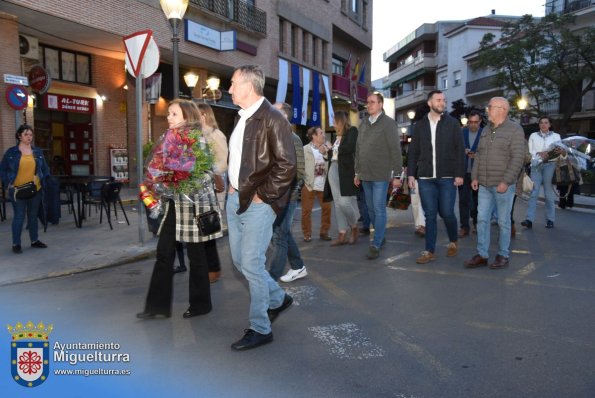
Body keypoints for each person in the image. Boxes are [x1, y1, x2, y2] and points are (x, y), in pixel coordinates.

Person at [226, 65, 296, 351]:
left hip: (258, 202)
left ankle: (260, 327)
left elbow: (287, 165)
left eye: (232, 83)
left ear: (248, 85)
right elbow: (241, 159)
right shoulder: (241, 118)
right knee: (240, 261)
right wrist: (231, 186)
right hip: (235, 198)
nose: (229, 89)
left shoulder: (273, 118)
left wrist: (264, 196)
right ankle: (278, 298)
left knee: (251, 263)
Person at [137, 99, 223, 319]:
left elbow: (204, 174)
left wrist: (176, 178)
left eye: (173, 114)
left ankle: (201, 304)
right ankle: (156, 307)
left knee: (197, 255)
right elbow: (159, 166)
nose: (168, 117)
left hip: (194, 206)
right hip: (174, 204)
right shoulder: (167, 139)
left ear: (187, 116)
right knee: (164, 252)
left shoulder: (198, 140)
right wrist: (159, 181)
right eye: (168, 114)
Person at [464, 97, 526, 270]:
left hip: (502, 186)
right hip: (484, 184)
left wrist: (506, 181)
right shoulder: (485, 130)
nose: (487, 109)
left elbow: (517, 158)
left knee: (503, 221)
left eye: (490, 107)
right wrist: (475, 177)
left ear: (502, 109)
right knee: (482, 219)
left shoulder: (515, 130)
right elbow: (479, 155)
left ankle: (503, 255)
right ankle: (482, 254)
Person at [407, 90, 464, 264]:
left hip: (447, 176)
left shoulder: (452, 124)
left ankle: (453, 241)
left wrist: (459, 174)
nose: (442, 102)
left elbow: (459, 151)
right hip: (425, 178)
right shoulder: (419, 126)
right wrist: (411, 174)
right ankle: (429, 250)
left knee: (447, 212)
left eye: (444, 100)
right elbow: (413, 152)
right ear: (430, 103)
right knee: (430, 215)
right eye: (439, 100)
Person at [355, 92, 402, 260]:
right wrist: (357, 171)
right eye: (367, 102)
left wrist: (397, 174)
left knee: (379, 208)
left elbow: (395, 150)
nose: (369, 105)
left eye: (372, 102)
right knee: (370, 208)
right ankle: (380, 236)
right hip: (365, 174)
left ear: (381, 104)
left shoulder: (389, 124)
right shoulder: (364, 124)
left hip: (381, 175)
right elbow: (359, 149)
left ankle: (376, 243)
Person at [269, 102, 307, 283]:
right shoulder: (272, 136)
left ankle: (271, 277)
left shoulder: (293, 138)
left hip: (287, 196)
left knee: (279, 235)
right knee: (281, 232)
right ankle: (298, 266)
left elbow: (299, 171)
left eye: (274, 110)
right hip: (272, 196)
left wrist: (289, 192)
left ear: (283, 115)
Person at [1, 124, 51, 254]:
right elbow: (3, 169)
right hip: (17, 190)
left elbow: (45, 169)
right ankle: (16, 243)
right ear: (19, 136)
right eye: (26, 134)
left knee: (33, 216)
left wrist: (41, 178)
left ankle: (34, 241)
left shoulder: (38, 152)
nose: (29, 137)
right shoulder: (11, 152)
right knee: (19, 217)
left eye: (31, 134)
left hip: (35, 189)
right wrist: (8, 183)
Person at [196, 102, 229, 283]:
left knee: (207, 228)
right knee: (199, 232)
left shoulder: (216, 135)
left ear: (203, 115)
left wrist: (206, 168)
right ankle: (207, 268)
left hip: (211, 190)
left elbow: (223, 163)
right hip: (196, 191)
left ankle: (213, 269)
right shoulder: (195, 135)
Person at [325, 110, 360, 246]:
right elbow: (334, 156)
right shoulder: (337, 136)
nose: (333, 123)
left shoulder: (352, 131)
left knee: (344, 202)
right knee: (338, 203)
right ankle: (342, 233)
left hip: (346, 171)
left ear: (341, 120)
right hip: (334, 168)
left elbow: (349, 148)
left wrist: (331, 148)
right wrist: (327, 151)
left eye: (335, 120)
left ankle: (354, 226)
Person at [522, 116, 562, 229]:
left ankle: (550, 219)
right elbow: (530, 151)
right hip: (536, 165)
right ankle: (529, 219)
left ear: (549, 125)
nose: (543, 125)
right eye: (541, 123)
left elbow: (558, 151)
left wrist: (548, 154)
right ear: (539, 125)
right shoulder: (533, 136)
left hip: (550, 165)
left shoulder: (556, 136)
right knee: (534, 193)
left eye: (546, 123)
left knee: (548, 194)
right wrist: (539, 154)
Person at [302, 126, 332, 242]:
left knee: (327, 209)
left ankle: (324, 232)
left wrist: (328, 152)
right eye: (321, 133)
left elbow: (333, 163)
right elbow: (300, 166)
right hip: (309, 184)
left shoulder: (328, 148)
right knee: (306, 211)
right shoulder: (305, 149)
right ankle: (307, 233)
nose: (323, 135)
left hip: (323, 184)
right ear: (314, 136)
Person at [458, 110, 483, 237]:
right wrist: (462, 150)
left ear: (480, 121)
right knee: (463, 201)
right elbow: (454, 149)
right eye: (470, 122)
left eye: (475, 122)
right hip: (463, 172)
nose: (473, 125)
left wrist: (477, 155)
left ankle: (477, 223)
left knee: (478, 201)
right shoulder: (462, 133)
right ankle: (464, 226)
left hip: (479, 173)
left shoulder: (485, 134)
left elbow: (489, 153)